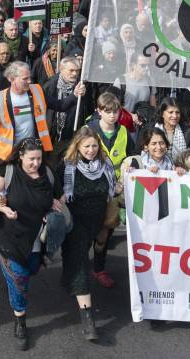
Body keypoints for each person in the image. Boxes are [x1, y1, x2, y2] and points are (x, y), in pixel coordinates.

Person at [0, 138, 63, 350]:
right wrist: (2, 208)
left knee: (29, 272)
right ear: (20, 156)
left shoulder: (47, 173)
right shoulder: (8, 172)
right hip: (10, 237)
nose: (35, 163)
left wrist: (54, 207)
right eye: (31, 159)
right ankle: (20, 319)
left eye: (39, 158)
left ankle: (17, 294)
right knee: (19, 279)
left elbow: (59, 197)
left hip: (36, 239)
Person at [60, 126, 117, 342]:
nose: (91, 150)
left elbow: (114, 190)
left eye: (94, 146)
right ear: (78, 146)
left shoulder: (106, 165)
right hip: (76, 224)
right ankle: (88, 319)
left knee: (76, 261)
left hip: (98, 221)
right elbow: (59, 191)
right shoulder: (67, 167)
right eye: (86, 146)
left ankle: (68, 278)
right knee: (81, 265)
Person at [0, 60, 85, 172]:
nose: (29, 81)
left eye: (29, 77)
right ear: (11, 79)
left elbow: (60, 106)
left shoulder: (37, 90)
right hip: (9, 153)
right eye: (25, 79)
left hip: (34, 152)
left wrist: (74, 95)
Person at [86, 92, 135, 289]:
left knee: (105, 231)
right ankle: (76, 267)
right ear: (99, 111)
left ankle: (99, 269)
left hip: (114, 189)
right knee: (85, 232)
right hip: (90, 189)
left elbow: (131, 158)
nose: (112, 116)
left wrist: (128, 172)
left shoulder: (123, 132)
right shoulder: (88, 130)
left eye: (115, 111)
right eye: (108, 112)